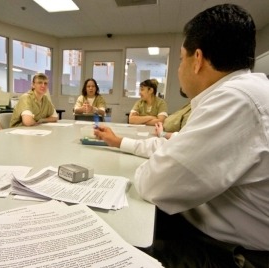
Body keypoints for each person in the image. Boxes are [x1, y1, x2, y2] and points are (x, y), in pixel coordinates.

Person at [95, 4, 269, 267]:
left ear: (197, 59)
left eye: (180, 59)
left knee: (114, 241)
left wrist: (159, 160)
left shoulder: (236, 101)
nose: (179, 68)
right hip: (218, 230)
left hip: (238, 254)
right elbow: (176, 144)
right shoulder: (242, 92)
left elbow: (156, 184)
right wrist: (121, 142)